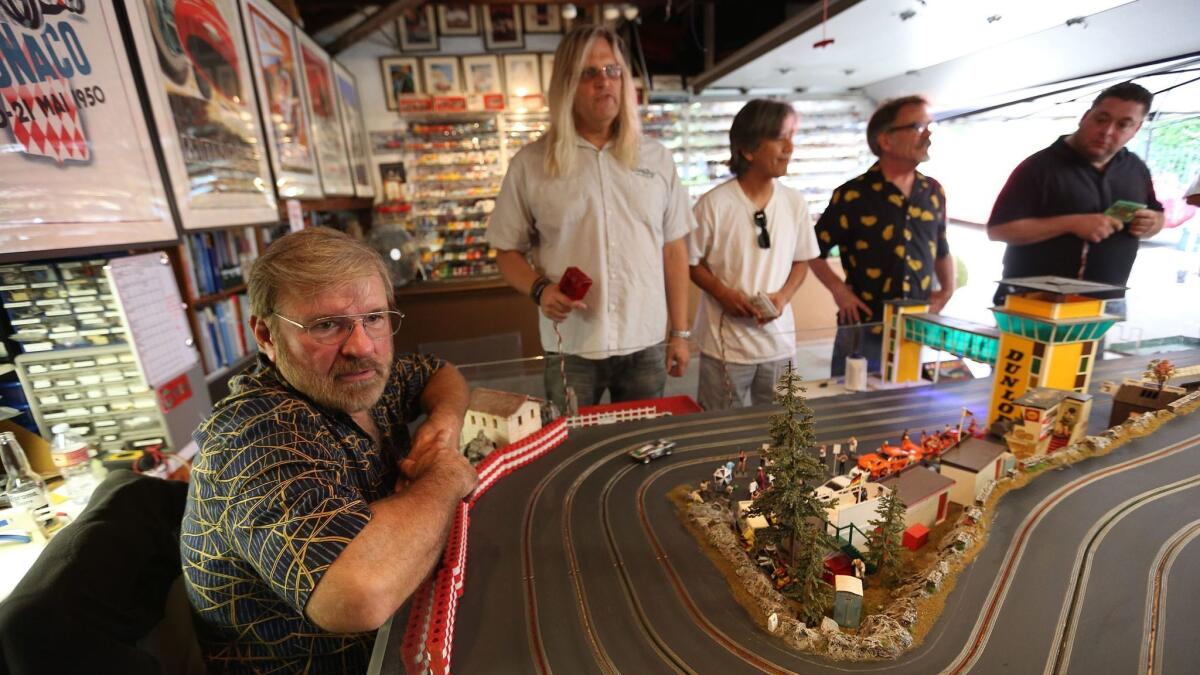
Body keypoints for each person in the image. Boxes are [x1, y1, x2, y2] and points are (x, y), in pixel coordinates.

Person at [180, 228, 478, 673]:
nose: (361, 346)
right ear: (266, 335)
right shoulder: (253, 434)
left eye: (375, 318)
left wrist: (443, 425)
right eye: (326, 325)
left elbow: (441, 374)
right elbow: (359, 596)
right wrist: (446, 476)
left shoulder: (357, 378)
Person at [488, 25, 693, 409]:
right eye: (589, 73)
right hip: (571, 345)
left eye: (613, 70)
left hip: (644, 339)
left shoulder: (656, 158)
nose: (605, 82)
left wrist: (680, 332)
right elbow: (506, 250)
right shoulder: (532, 164)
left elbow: (674, 249)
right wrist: (540, 290)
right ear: (567, 84)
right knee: (572, 451)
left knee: (644, 446)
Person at [688, 99, 819, 409]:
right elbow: (691, 262)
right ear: (748, 149)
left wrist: (783, 297)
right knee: (719, 431)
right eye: (780, 137)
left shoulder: (794, 202)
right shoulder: (713, 205)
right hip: (724, 348)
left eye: (792, 136)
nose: (790, 147)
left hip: (780, 343)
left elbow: (802, 260)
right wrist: (722, 292)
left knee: (782, 433)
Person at [810, 96, 955, 377]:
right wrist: (839, 291)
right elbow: (812, 250)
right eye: (917, 126)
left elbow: (942, 248)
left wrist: (947, 290)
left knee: (905, 404)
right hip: (864, 325)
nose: (928, 134)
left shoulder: (933, 191)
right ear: (885, 140)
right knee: (851, 408)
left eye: (929, 125)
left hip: (915, 327)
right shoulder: (852, 195)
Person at [988, 82, 1164, 310]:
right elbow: (998, 230)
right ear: (1085, 116)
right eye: (1101, 119)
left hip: (1105, 304)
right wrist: (1072, 223)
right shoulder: (1039, 167)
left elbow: (1157, 215)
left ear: (1136, 129)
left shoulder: (1136, 168)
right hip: (1035, 301)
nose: (1108, 131)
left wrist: (1152, 223)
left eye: (1123, 124)